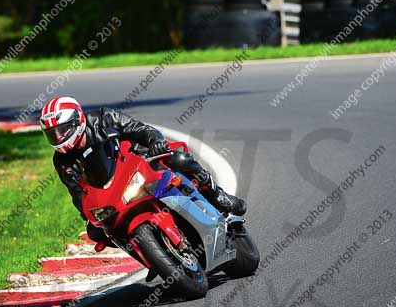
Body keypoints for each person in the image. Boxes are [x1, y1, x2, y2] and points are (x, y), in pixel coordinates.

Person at [40, 96, 246, 245]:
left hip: (140, 160)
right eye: (52, 134)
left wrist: (155, 142)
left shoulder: (104, 118)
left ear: (77, 120)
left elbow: (142, 130)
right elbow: (77, 193)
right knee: (100, 231)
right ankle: (142, 250)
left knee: (180, 158)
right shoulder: (62, 161)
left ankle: (217, 195)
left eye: (61, 130)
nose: (58, 138)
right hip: (112, 190)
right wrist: (89, 219)